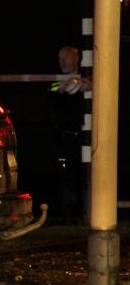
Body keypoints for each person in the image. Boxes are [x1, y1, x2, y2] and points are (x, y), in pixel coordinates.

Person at [48, 45, 90, 222]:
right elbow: (53, 89)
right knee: (67, 177)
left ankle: (86, 211)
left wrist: (79, 84)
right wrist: (64, 87)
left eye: (66, 57)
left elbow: (86, 86)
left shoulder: (86, 77)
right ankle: (70, 215)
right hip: (66, 138)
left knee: (86, 174)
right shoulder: (56, 80)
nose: (62, 62)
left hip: (86, 136)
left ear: (77, 58)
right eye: (60, 58)